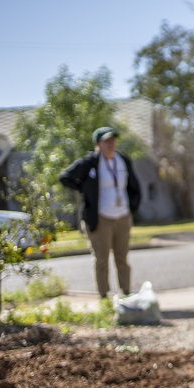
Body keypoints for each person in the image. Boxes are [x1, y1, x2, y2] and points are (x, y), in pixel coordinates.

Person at [59, 127, 141, 299]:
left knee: (122, 258)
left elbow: (134, 185)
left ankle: (126, 294)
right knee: (102, 260)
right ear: (98, 144)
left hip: (123, 215)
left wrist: (133, 206)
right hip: (100, 217)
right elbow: (65, 177)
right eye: (107, 141)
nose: (111, 144)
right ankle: (104, 297)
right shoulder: (90, 162)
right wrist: (84, 188)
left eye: (113, 140)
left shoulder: (123, 160)